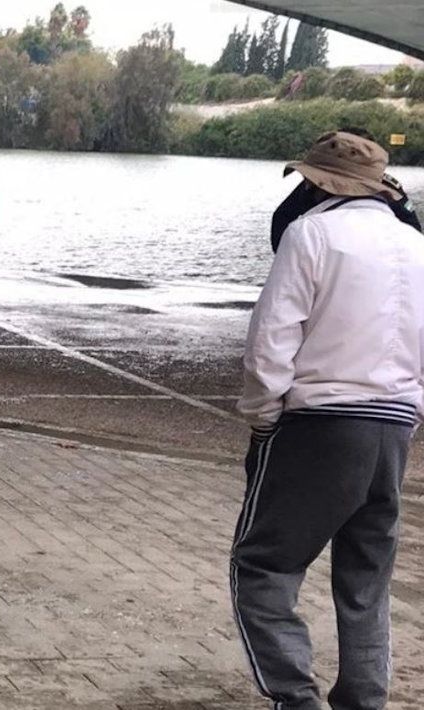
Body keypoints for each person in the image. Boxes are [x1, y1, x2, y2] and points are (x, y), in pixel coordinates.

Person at [233, 131, 424, 710]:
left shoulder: (310, 233)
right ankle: (364, 699)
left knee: (262, 566)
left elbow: (271, 342)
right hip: (393, 426)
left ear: (316, 181)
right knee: (367, 579)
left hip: (319, 425)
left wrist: (264, 420)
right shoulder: (416, 245)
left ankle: (297, 699)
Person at [271, 127, 420, 251]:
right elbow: (283, 216)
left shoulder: (388, 188)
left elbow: (412, 229)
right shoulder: (317, 183)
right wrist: (286, 255)